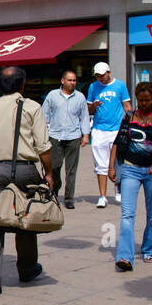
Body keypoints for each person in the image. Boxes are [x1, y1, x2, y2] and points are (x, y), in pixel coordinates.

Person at [0, 66, 53, 297]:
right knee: (26, 219)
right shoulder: (32, 107)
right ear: (22, 85)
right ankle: (27, 268)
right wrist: (49, 173)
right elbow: (43, 146)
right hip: (26, 170)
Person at [107, 82, 152, 271]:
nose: (143, 104)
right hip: (130, 169)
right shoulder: (129, 117)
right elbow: (117, 143)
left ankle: (149, 249)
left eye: (147, 100)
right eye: (140, 100)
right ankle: (125, 257)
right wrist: (111, 167)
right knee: (127, 214)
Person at [42, 70, 91, 210]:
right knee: (55, 166)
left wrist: (85, 135)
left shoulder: (80, 97)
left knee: (71, 170)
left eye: (74, 80)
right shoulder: (52, 95)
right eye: (70, 80)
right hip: (55, 136)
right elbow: (44, 114)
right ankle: (55, 190)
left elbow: (84, 117)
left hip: (73, 137)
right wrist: (43, 132)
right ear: (62, 81)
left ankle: (69, 198)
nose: (72, 83)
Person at [87, 62, 131, 209]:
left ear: (109, 72)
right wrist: (93, 105)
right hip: (99, 129)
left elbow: (127, 106)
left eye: (103, 75)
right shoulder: (93, 87)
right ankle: (102, 196)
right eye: (98, 76)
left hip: (117, 129)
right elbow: (88, 109)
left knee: (118, 162)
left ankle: (118, 188)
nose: (101, 78)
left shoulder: (120, 85)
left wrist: (129, 123)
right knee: (101, 164)